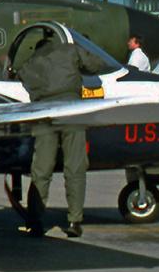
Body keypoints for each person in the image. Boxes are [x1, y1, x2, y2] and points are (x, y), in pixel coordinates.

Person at [19, 36, 109, 237]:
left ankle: (35, 221)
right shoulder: (69, 50)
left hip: (44, 114)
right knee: (75, 167)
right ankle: (75, 220)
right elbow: (96, 65)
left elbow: (19, 76)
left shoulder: (29, 64)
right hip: (70, 110)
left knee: (41, 170)